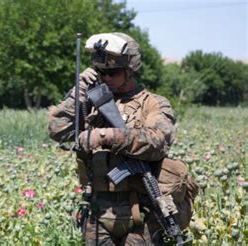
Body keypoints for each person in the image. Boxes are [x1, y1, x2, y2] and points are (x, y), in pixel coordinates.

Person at [48, 32, 184, 245]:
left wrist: (106, 135)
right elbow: (57, 131)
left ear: (130, 69)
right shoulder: (90, 102)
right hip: (97, 212)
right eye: (101, 72)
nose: (106, 78)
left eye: (113, 72)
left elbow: (157, 141)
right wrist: (79, 91)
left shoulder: (153, 103)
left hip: (142, 212)